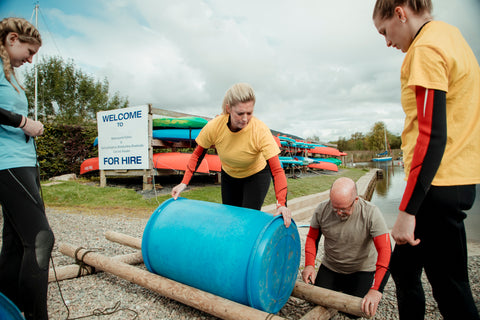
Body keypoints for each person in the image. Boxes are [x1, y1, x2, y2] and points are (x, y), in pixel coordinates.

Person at [373, 1, 480, 319]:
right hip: (454, 179)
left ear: (400, 12)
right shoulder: (451, 36)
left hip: (437, 185)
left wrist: (407, 211)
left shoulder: (425, 48)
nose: (388, 41)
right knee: (405, 272)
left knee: (451, 290)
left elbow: (431, 135)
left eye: (384, 30)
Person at [171, 83, 291, 227]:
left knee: (247, 220)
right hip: (230, 174)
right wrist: (184, 183)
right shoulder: (215, 127)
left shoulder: (260, 130)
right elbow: (197, 155)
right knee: (230, 218)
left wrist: (281, 204)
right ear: (228, 108)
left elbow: (277, 170)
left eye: (249, 113)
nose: (245, 119)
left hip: (256, 175)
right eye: (240, 113)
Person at [0, 17, 55, 320]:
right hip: (6, 163)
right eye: (29, 51)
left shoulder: (9, 74)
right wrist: (24, 122)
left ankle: (7, 310)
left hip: (23, 162)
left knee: (14, 242)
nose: (31, 60)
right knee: (41, 238)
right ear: (11, 39)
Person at [301, 177, 391, 318]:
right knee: (316, 301)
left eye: (343, 209)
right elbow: (312, 238)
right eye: (334, 207)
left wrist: (376, 289)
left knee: (356, 312)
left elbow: (385, 250)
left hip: (362, 269)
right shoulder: (322, 209)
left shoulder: (371, 213)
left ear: (355, 200)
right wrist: (309, 265)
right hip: (332, 266)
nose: (338, 213)